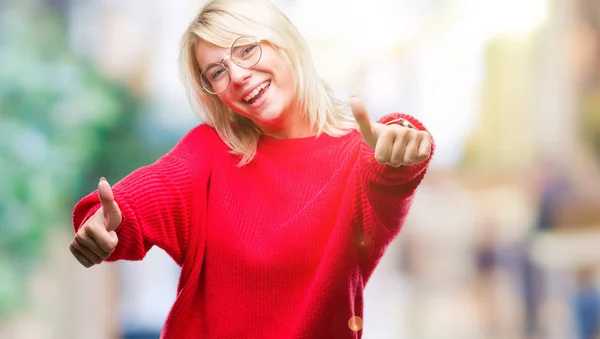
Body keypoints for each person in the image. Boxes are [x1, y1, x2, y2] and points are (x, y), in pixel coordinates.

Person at [68, 0, 435, 338]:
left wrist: (406, 139)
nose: (239, 75)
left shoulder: (358, 158)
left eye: (246, 50)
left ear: (283, 42)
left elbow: (389, 166)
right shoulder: (210, 150)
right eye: (217, 72)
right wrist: (101, 221)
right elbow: (141, 200)